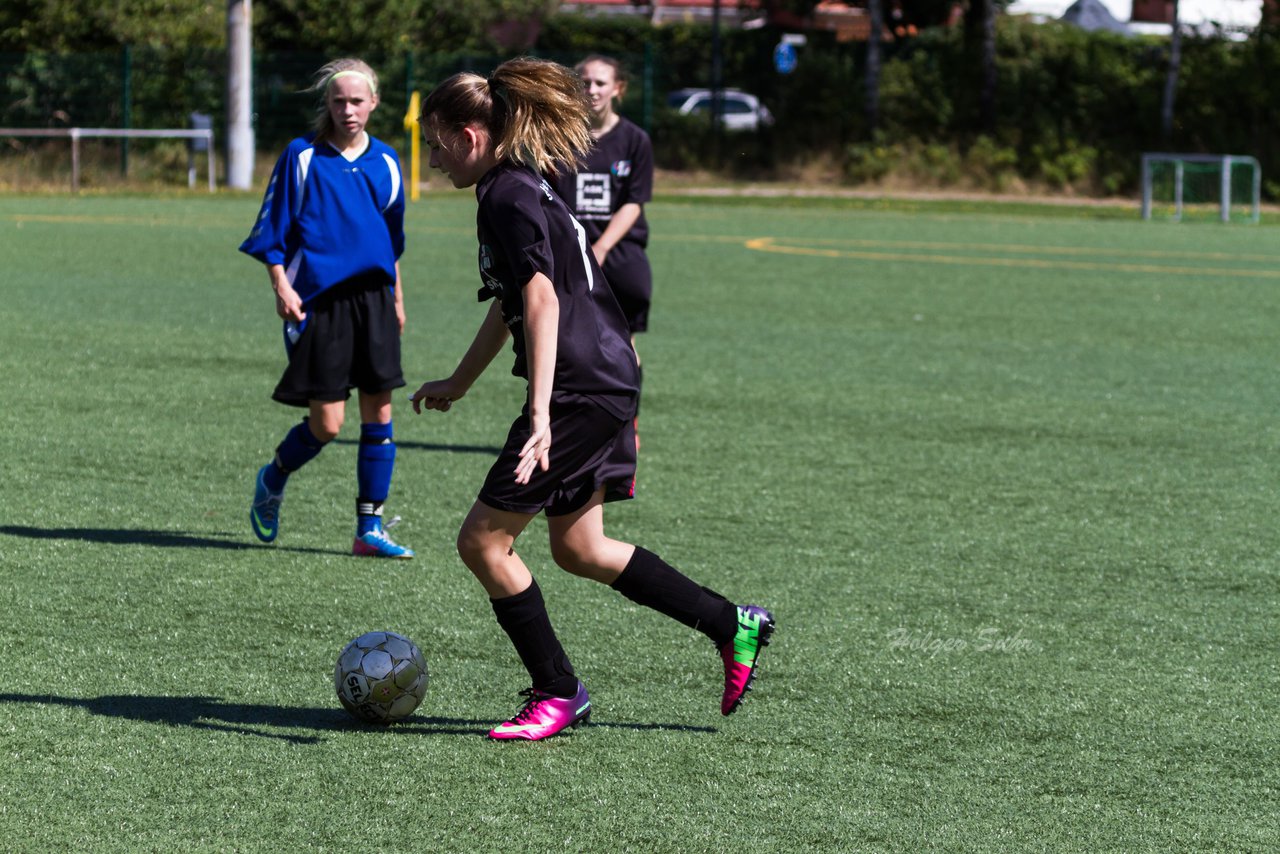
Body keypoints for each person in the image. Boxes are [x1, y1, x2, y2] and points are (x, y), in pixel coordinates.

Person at [410, 57, 775, 741]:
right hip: (602, 378)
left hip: (580, 387)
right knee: (580, 547)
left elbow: (542, 299)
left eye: (436, 142)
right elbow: (512, 302)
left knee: (484, 544)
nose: (432, 159)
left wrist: (541, 414)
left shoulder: (506, 197)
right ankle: (734, 624)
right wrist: (459, 382)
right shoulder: (524, 185)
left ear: (470, 135)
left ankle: (558, 691)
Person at [240, 57, 414, 559]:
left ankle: (369, 531)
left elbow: (390, 241)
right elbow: (273, 230)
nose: (347, 109)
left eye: (357, 100)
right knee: (327, 425)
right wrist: (281, 286)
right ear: (328, 104)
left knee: (379, 412)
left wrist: (397, 298)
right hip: (318, 301)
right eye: (338, 101)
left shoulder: (386, 162)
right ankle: (273, 478)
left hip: (375, 300)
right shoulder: (302, 156)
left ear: (374, 103)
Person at [546, 55, 654, 445]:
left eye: (600, 83)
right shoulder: (558, 138)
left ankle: (628, 422)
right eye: (585, 82)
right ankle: (565, 422)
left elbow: (634, 201)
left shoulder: (635, 140)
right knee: (568, 343)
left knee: (623, 345)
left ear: (617, 89)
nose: (591, 90)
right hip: (570, 259)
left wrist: (603, 245)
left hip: (619, 258)